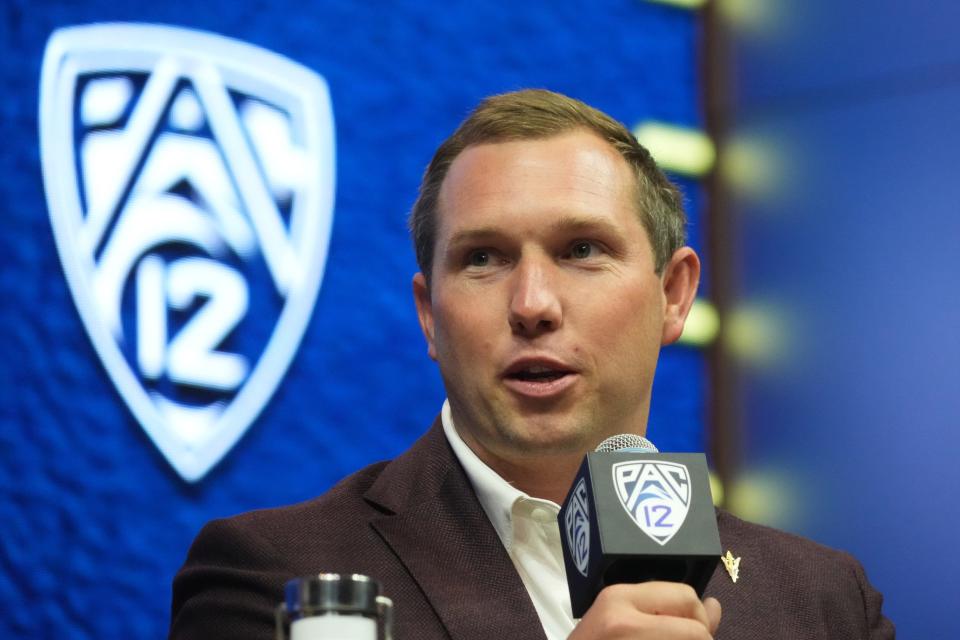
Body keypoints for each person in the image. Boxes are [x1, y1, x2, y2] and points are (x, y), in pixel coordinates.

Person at [169, 89, 894, 639]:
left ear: (673, 296)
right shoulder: (271, 573)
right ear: (429, 314)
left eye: (582, 250)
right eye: (483, 259)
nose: (534, 303)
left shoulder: (822, 599)